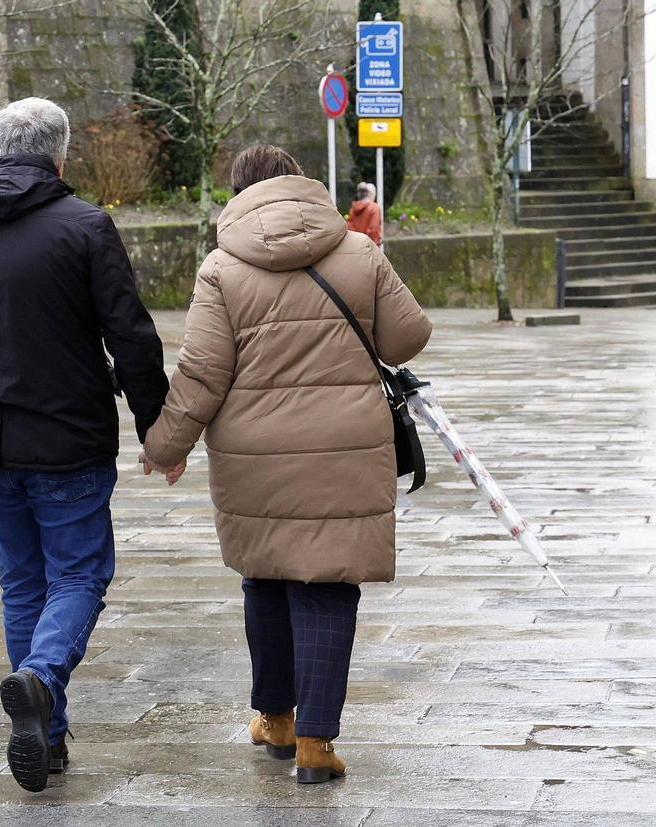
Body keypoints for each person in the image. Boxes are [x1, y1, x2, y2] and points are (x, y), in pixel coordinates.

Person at [0, 97, 172, 793]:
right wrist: (157, 428)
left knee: (23, 582)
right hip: (70, 438)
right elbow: (131, 337)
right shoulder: (84, 226)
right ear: (60, 154)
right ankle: (42, 680)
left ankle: (45, 741)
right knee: (78, 576)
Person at [142, 145, 432, 784]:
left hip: (253, 456)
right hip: (346, 450)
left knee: (266, 577)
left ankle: (274, 720)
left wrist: (166, 447)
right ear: (302, 185)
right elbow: (408, 337)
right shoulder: (358, 251)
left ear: (239, 194)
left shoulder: (221, 267)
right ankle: (315, 746)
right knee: (328, 586)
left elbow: (202, 372)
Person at [346, 181, 382, 245]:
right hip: (368, 246)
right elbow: (374, 230)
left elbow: (349, 229)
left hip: (355, 245)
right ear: (371, 194)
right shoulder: (374, 208)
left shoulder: (353, 209)